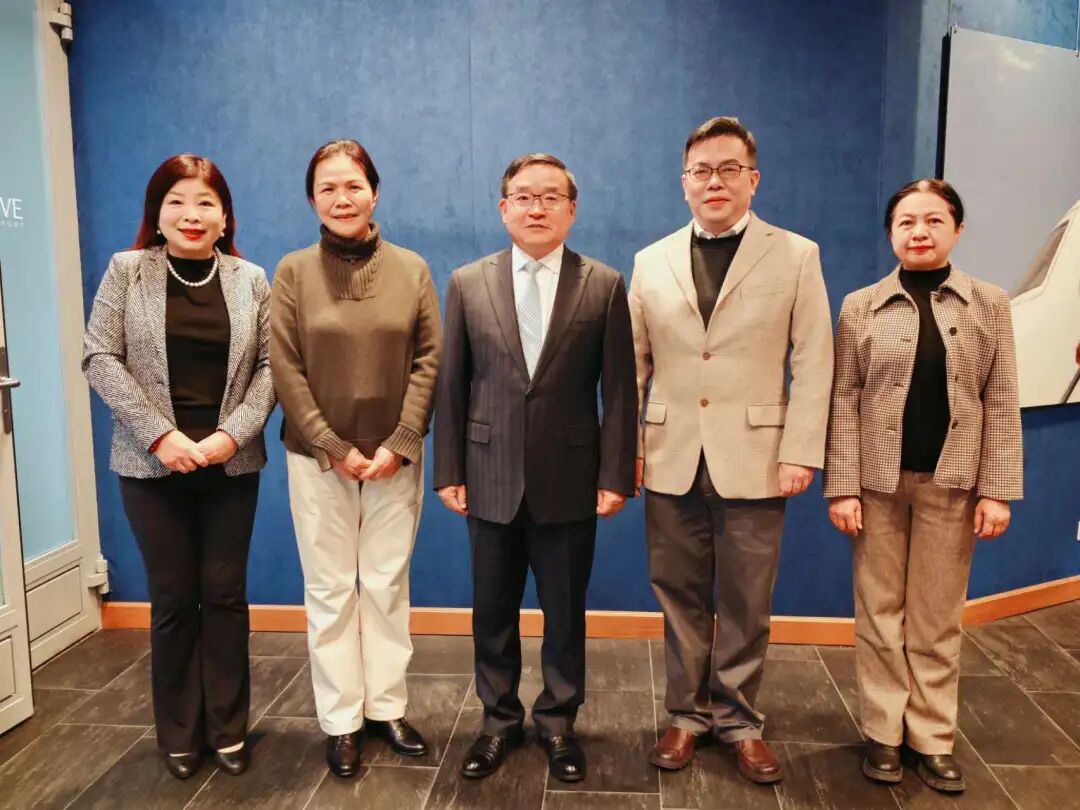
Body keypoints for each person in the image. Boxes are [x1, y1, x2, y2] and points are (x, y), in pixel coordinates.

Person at [629, 117, 834, 783]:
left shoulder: (795, 254)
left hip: (759, 454)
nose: (713, 181)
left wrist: (801, 449)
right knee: (678, 592)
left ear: (753, 179)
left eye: (728, 169)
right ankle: (686, 715)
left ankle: (740, 719)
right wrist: (629, 448)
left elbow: (815, 359)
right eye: (701, 171)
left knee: (747, 598)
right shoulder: (651, 260)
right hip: (669, 453)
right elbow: (632, 364)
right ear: (683, 182)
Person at [433, 153, 636, 783]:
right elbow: (452, 384)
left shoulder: (603, 284)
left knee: (565, 611)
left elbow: (619, 390)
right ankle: (497, 721)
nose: (537, 208)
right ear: (504, 209)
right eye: (524, 197)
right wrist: (448, 469)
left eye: (551, 197)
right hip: (487, 474)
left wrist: (615, 475)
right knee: (490, 611)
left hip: (570, 478)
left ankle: (557, 722)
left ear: (571, 210)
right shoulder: (468, 282)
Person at [824, 178, 1023, 793]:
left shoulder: (989, 303)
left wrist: (997, 490)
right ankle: (883, 732)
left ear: (957, 229)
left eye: (934, 220)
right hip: (877, 484)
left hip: (953, 483)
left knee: (937, 617)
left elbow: (1001, 398)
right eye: (906, 221)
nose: (919, 232)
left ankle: (932, 736)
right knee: (879, 612)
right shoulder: (860, 306)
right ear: (891, 232)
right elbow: (844, 399)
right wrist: (842, 486)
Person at [83, 154, 274, 779]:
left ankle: (228, 728)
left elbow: (273, 367)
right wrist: (160, 435)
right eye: (177, 202)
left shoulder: (251, 279)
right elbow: (99, 356)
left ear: (225, 217)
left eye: (205, 203)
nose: (191, 214)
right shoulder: (127, 270)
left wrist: (230, 437)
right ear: (157, 213)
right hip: (150, 466)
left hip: (230, 464)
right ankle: (179, 733)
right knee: (171, 597)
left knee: (224, 595)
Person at [270, 139, 442, 778]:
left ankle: (386, 708)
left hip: (395, 458)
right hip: (317, 460)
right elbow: (285, 366)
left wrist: (401, 442)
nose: (341, 198)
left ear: (374, 191)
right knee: (330, 589)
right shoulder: (293, 272)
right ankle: (342, 720)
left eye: (353, 186)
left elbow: (429, 359)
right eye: (327, 188)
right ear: (312, 199)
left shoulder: (412, 269)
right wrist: (332, 446)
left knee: (387, 583)